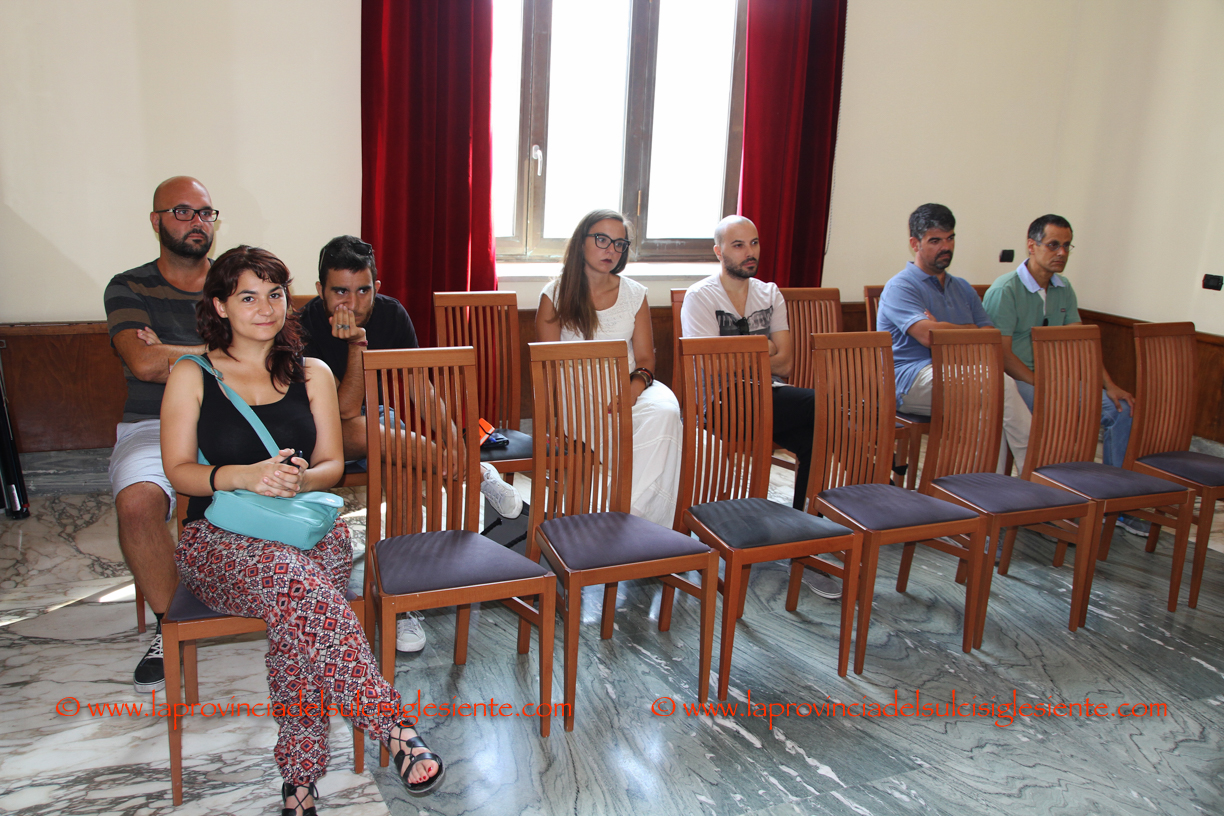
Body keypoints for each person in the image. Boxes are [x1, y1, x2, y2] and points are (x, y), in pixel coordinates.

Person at [160, 246, 443, 814]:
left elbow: (332, 465)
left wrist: (296, 481)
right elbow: (178, 471)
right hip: (218, 538)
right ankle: (392, 726)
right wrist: (245, 476)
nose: (265, 308)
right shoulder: (192, 374)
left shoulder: (312, 372)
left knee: (298, 623)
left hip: (308, 526)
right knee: (298, 589)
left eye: (274, 294)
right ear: (220, 306)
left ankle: (300, 781)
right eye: (247, 297)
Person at [298, 236, 520, 654]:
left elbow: (420, 387)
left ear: (377, 287)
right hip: (318, 430)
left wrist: (457, 440)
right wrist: (356, 344)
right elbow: (342, 411)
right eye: (340, 291)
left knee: (400, 469)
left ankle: (401, 599)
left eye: (363, 290)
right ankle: (474, 473)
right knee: (369, 433)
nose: (353, 303)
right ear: (320, 290)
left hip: (378, 424)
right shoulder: (304, 323)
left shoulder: (391, 314)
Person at [680, 215, 841, 600]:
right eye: (738, 245)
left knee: (816, 435)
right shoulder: (701, 297)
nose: (749, 252)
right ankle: (807, 541)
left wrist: (743, 352)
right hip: (720, 404)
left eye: (753, 243)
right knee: (825, 406)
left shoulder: (770, 294)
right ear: (719, 252)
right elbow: (711, 366)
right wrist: (763, 346)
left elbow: (787, 362)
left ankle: (805, 542)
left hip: (770, 397)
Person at [104, 176, 213, 693]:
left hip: (229, 420)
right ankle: (174, 628)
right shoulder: (128, 286)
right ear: (156, 221)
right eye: (183, 212)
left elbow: (265, 354)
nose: (197, 222)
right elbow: (145, 365)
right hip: (154, 422)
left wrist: (172, 351)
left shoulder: (235, 281)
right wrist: (218, 354)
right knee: (137, 503)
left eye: (206, 213)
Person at [982, 214, 1144, 535]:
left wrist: (1110, 386)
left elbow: (1081, 344)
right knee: (1062, 411)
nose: (1061, 253)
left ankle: (1117, 505)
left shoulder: (1063, 288)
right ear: (1032, 246)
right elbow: (1000, 355)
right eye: (1053, 245)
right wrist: (1040, 383)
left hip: (1056, 380)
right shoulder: (1006, 289)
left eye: (1067, 246)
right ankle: (1050, 501)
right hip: (1015, 382)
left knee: (1122, 408)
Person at [536, 209, 682, 527]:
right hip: (580, 396)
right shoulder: (554, 296)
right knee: (658, 442)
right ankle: (633, 526)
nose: (611, 250)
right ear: (581, 242)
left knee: (666, 413)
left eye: (619, 244)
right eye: (602, 239)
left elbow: (645, 359)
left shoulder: (634, 294)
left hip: (631, 386)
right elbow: (546, 370)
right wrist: (552, 420)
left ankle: (626, 521)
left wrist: (633, 388)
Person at [877, 203, 1030, 474]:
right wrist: (965, 330)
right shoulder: (901, 286)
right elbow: (929, 337)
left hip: (960, 373)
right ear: (915, 243)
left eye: (950, 238)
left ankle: (987, 486)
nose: (945, 247)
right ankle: (1036, 471)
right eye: (935, 241)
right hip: (909, 380)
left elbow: (991, 339)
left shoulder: (962, 288)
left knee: (990, 402)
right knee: (998, 384)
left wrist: (946, 329)